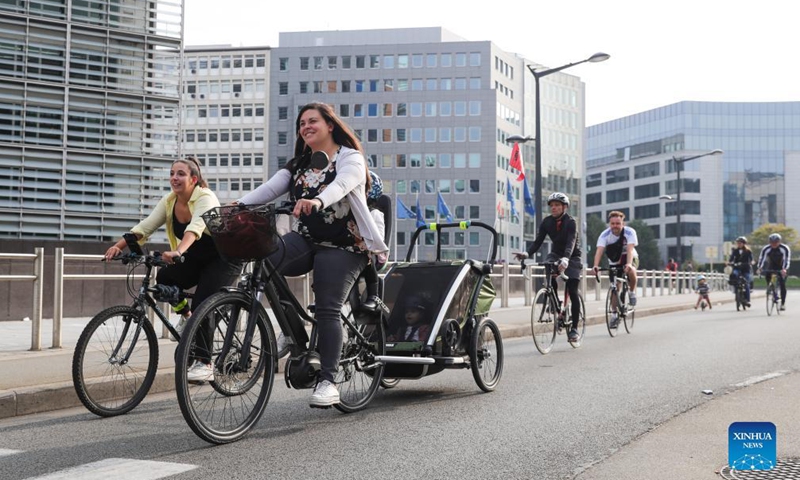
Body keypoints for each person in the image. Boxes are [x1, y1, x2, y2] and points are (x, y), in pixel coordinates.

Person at [238, 102, 389, 408]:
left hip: (346, 245)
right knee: (265, 258)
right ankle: (292, 332)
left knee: (327, 309)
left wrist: (318, 201)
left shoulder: (351, 159)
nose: (305, 127)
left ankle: (328, 381)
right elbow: (268, 190)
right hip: (306, 240)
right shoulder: (298, 165)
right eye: (301, 123)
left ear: (330, 125)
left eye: (312, 121)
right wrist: (236, 205)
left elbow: (343, 185)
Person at [103, 156, 242, 383]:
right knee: (165, 278)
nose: (174, 178)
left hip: (224, 258)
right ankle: (187, 316)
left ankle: (205, 363)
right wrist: (118, 247)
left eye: (180, 174)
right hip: (197, 257)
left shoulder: (205, 198)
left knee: (203, 303)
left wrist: (178, 251)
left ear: (194, 179)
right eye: (172, 173)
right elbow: (146, 227)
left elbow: (196, 228)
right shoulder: (170, 201)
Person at [514, 192, 582, 343]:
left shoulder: (571, 222)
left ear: (564, 207)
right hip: (556, 254)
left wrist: (566, 259)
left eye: (557, 205)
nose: (554, 208)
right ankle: (555, 302)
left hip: (573, 256)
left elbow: (571, 242)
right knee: (548, 269)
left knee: (572, 289)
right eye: (552, 205)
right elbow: (538, 242)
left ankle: (574, 329)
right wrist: (526, 254)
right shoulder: (547, 222)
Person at [592, 210, 639, 329]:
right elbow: (599, 251)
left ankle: (632, 292)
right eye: (612, 223)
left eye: (618, 223)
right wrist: (595, 266)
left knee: (631, 270)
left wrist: (628, 264)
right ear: (609, 224)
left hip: (630, 257)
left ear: (623, 223)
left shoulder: (629, 232)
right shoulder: (605, 235)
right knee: (614, 287)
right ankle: (614, 315)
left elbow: (629, 250)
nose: (615, 226)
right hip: (614, 261)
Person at [362, 171, 388, 312]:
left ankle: (373, 295)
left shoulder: (375, 214)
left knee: (366, 256)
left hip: (372, 253)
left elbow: (378, 239)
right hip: (351, 249)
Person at [757, 233, 791, 311]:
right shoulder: (766, 248)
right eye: (772, 242)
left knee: (782, 284)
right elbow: (762, 258)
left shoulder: (784, 248)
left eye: (776, 242)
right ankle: (771, 289)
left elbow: (786, 259)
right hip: (772, 265)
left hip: (783, 266)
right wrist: (760, 267)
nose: (774, 244)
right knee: (767, 275)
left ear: (779, 242)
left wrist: (784, 269)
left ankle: (782, 303)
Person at [727, 236, 753, 307]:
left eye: (740, 243)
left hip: (745, 269)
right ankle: (736, 291)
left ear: (744, 243)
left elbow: (751, 259)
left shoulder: (748, 251)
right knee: (734, 276)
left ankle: (747, 300)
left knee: (746, 283)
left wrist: (751, 262)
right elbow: (731, 258)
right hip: (737, 268)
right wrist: (729, 262)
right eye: (738, 243)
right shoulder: (735, 251)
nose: (739, 244)